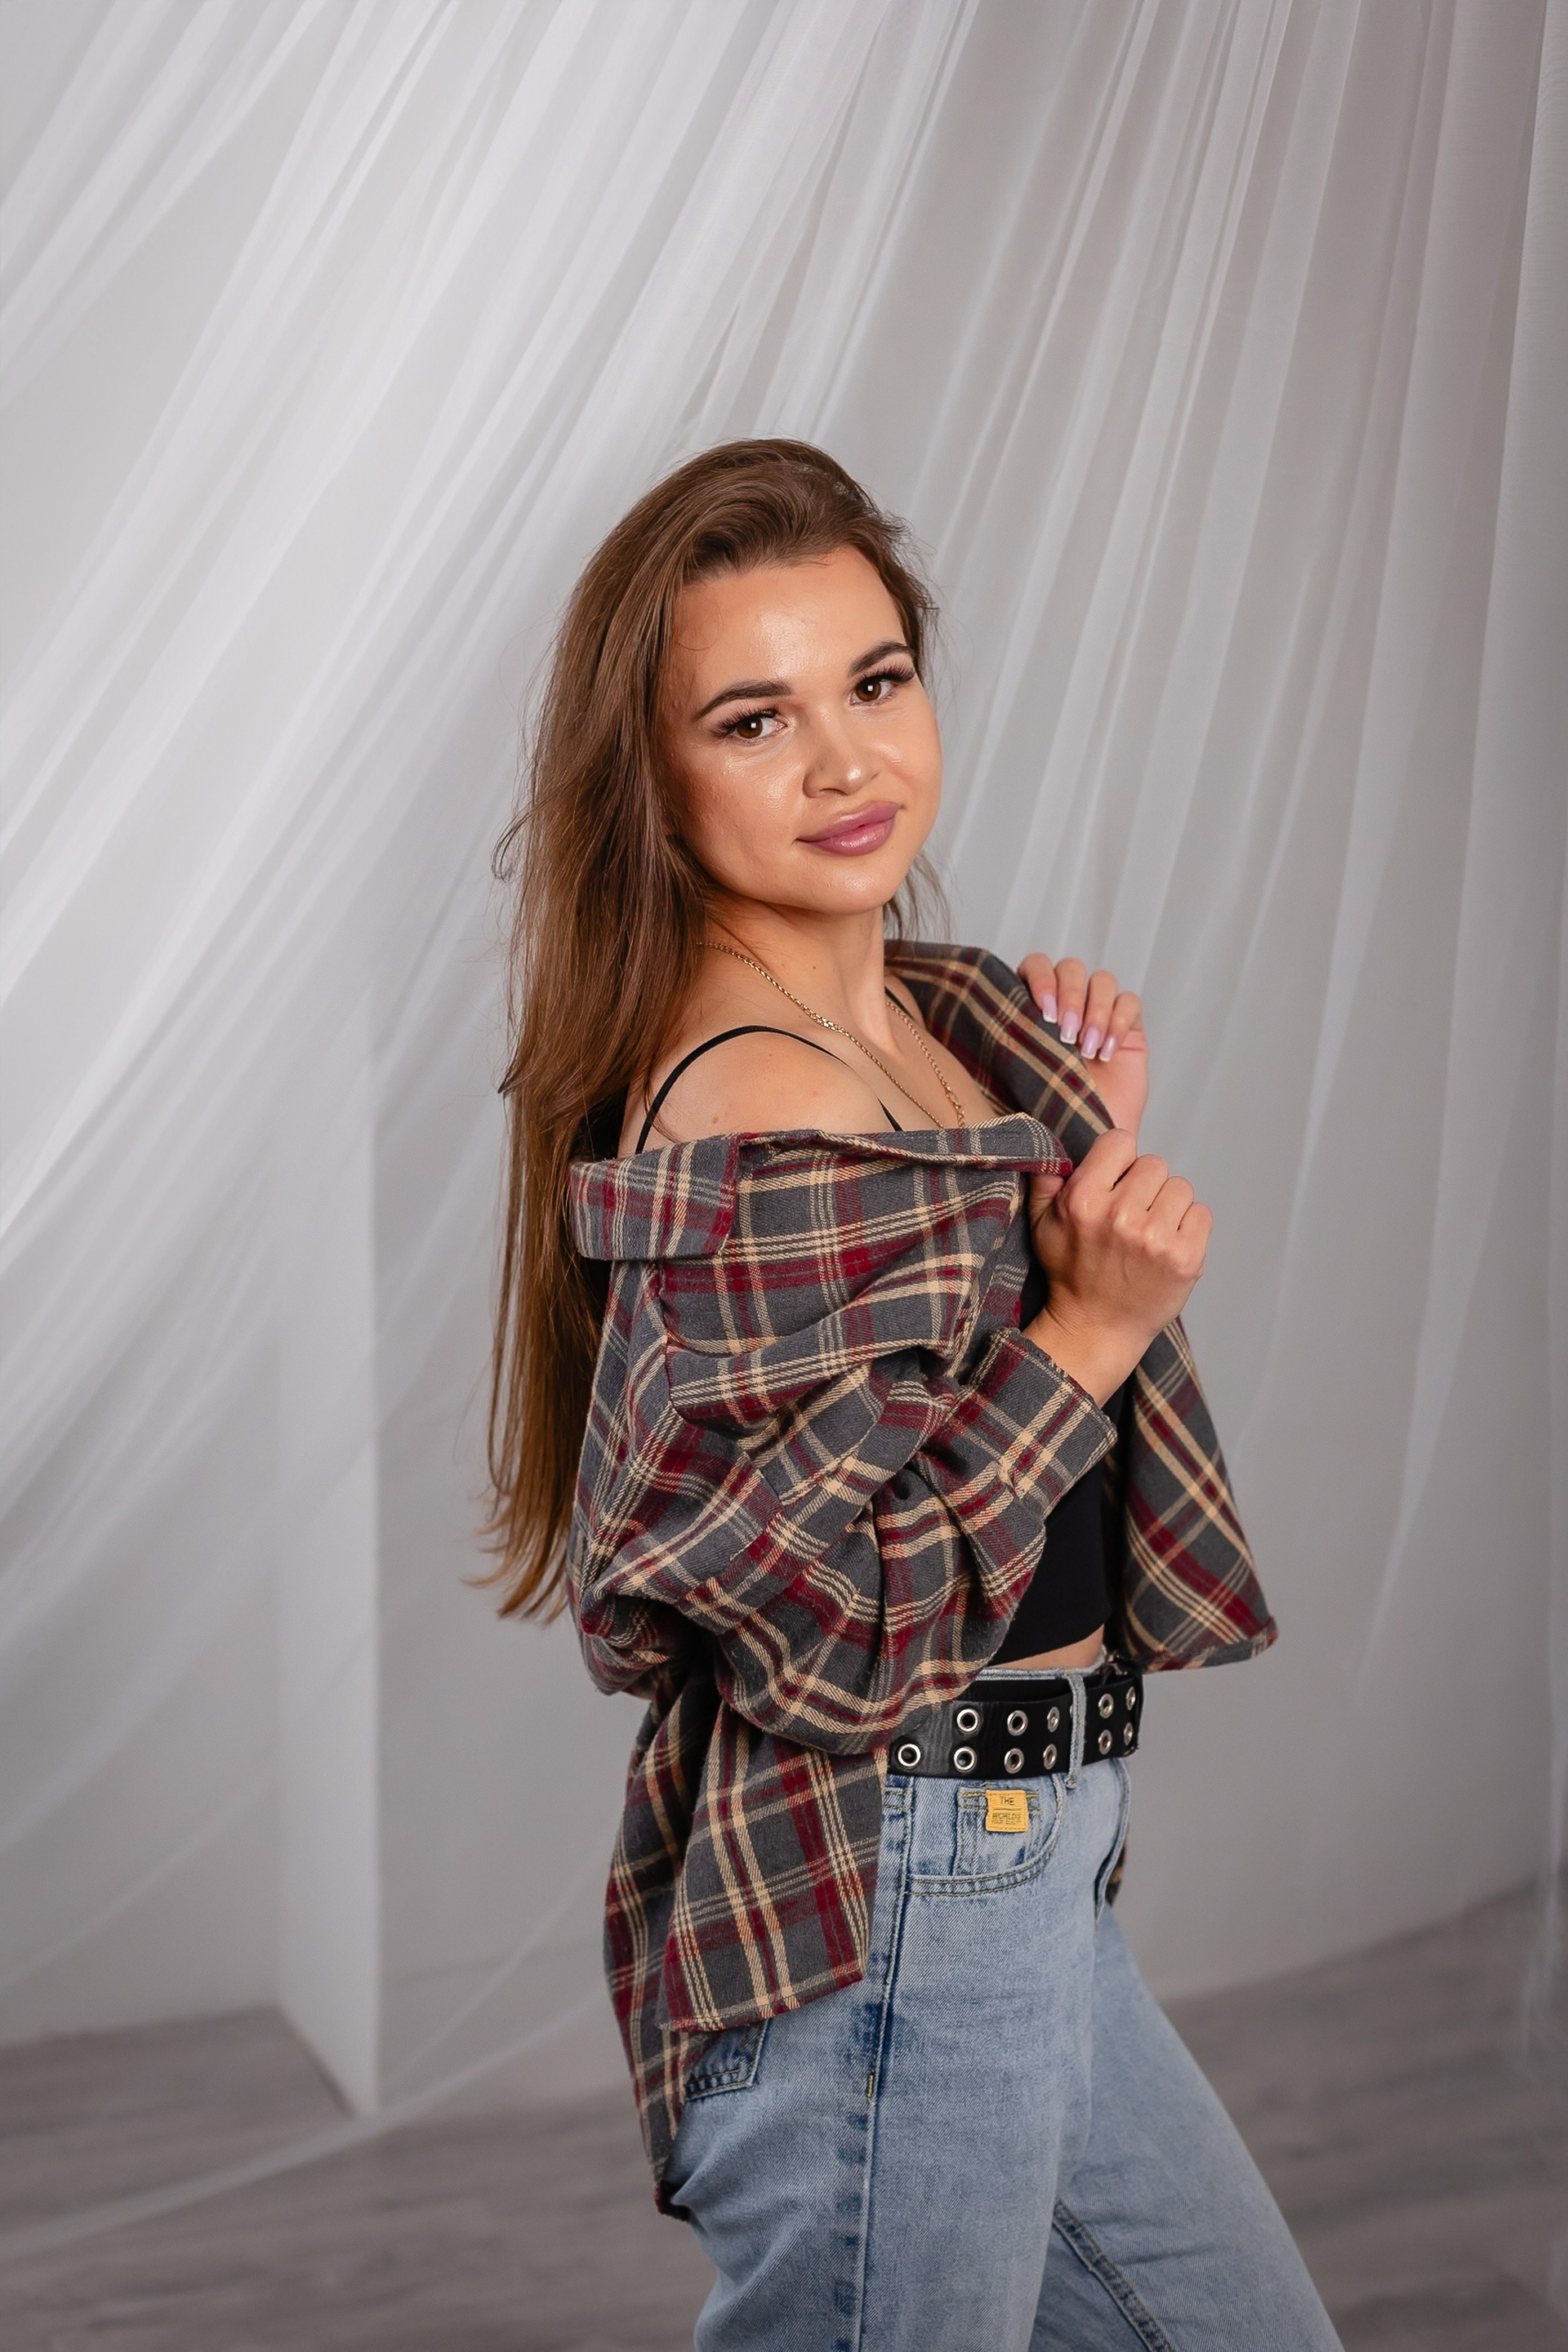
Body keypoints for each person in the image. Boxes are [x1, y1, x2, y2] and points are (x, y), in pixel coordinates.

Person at [488, 439, 1341, 2351]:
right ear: (653, 777)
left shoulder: (935, 1022)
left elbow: (951, 1381)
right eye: (754, 719)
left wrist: (1075, 1144)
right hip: (892, 1893)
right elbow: (833, 1626)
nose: (844, 762)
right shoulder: (758, 1109)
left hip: (1033, 1869)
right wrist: (1091, 1330)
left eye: (873, 682)